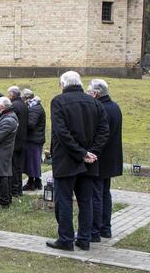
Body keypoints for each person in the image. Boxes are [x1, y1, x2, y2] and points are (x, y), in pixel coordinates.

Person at [47, 71, 109, 252]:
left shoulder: (58, 101)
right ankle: (84, 238)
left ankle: (66, 239)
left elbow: (61, 132)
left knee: (64, 200)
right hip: (88, 161)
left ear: (63, 84)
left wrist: (83, 153)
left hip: (67, 160)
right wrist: (91, 153)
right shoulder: (95, 102)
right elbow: (104, 131)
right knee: (85, 201)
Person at [87, 79, 122, 241]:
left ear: (96, 93)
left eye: (88, 92)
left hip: (100, 158)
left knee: (96, 194)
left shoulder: (100, 108)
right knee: (105, 194)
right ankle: (105, 228)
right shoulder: (114, 106)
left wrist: (90, 153)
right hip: (110, 158)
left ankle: (95, 230)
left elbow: (99, 135)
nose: (87, 95)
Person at [0, 97, 19, 207]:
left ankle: (5, 200)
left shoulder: (9, 120)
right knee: (3, 176)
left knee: (2, 176)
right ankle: (5, 197)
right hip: (3, 150)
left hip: (2, 151)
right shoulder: (7, 116)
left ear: (2, 106)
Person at [6, 86, 28, 196]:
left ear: (12, 94)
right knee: (18, 166)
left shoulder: (14, 105)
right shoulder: (23, 104)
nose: (8, 95)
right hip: (23, 139)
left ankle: (14, 190)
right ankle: (19, 189)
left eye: (9, 94)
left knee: (14, 166)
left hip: (16, 140)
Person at [23, 89, 46, 191]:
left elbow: (31, 124)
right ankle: (34, 181)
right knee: (33, 161)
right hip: (35, 138)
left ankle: (33, 182)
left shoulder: (34, 109)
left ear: (27, 98)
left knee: (33, 161)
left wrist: (22, 122)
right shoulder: (34, 107)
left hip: (34, 139)